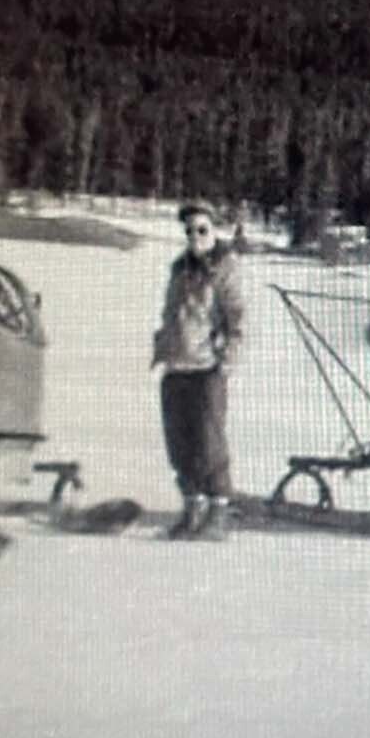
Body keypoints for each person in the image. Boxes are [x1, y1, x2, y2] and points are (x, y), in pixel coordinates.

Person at [152, 200, 246, 540]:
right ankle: (192, 507)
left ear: (215, 230)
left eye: (202, 229)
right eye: (189, 230)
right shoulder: (180, 268)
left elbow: (238, 317)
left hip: (207, 366)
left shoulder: (225, 268)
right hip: (177, 363)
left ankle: (219, 510)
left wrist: (227, 360)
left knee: (209, 441)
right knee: (178, 441)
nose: (195, 236)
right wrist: (162, 346)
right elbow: (172, 313)